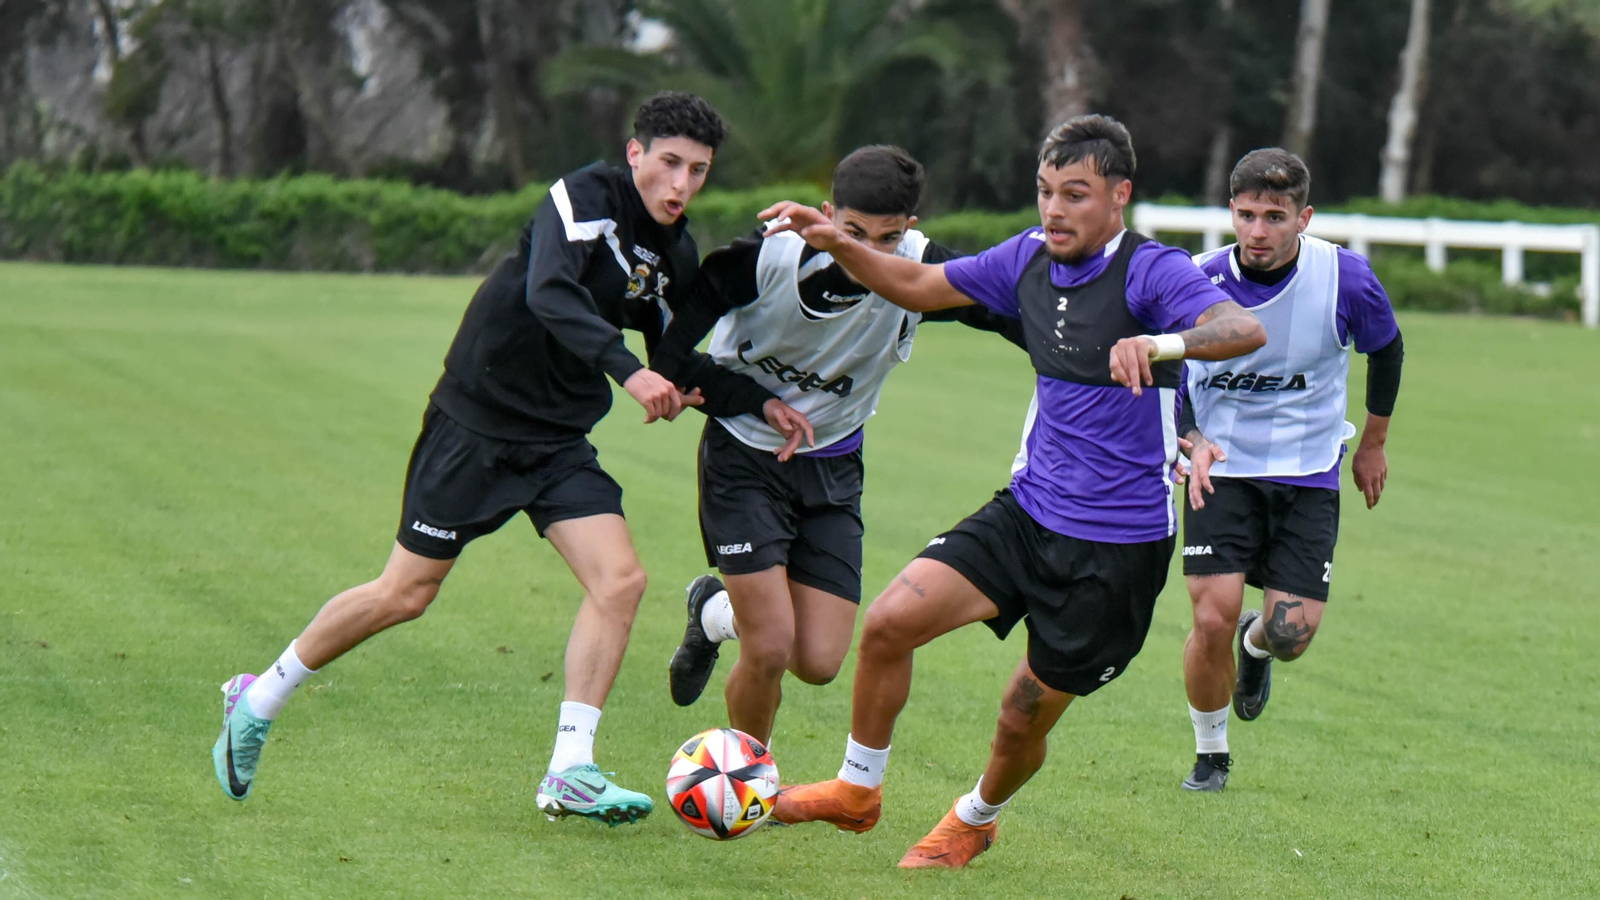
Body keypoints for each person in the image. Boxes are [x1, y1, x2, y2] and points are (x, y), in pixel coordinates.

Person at [210, 92, 807, 827]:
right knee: (405, 593)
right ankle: (260, 695)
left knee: (620, 581)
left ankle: (570, 770)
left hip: (557, 441)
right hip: (478, 421)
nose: (680, 185)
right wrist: (629, 373)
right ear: (635, 154)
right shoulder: (584, 197)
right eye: (669, 163)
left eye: (699, 171)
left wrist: (753, 399)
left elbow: (678, 360)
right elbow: (550, 293)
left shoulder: (674, 254)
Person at [755, 114, 1267, 868]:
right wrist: (840, 242)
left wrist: (1161, 343)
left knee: (1021, 716)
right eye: (1045, 191)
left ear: (1120, 196)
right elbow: (921, 286)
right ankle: (858, 790)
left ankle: (977, 814)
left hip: (1116, 550)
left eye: (1076, 194)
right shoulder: (1026, 257)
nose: (1054, 210)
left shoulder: (1152, 272)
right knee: (891, 621)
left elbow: (1240, 327)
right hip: (1027, 514)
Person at [651, 145, 1023, 745]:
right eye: (851, 232)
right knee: (770, 647)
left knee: (819, 662)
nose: (867, 253)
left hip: (834, 466)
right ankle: (750, 779)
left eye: (888, 238)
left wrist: (1098, 357)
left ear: (910, 232)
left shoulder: (925, 270)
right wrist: (756, 400)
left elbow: (1017, 317)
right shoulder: (765, 258)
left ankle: (712, 612)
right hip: (744, 456)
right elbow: (669, 353)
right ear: (827, 213)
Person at [1176, 148, 1404, 792]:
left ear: (1303, 217)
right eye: (1246, 215)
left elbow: (1387, 352)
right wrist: (1188, 441)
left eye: (1274, 216)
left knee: (1290, 635)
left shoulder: (1346, 278)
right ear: (1230, 212)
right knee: (1211, 616)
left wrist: (1373, 445)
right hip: (1218, 469)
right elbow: (1172, 375)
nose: (1257, 231)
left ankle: (1257, 649)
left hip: (1307, 474)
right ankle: (1211, 755)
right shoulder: (1196, 281)